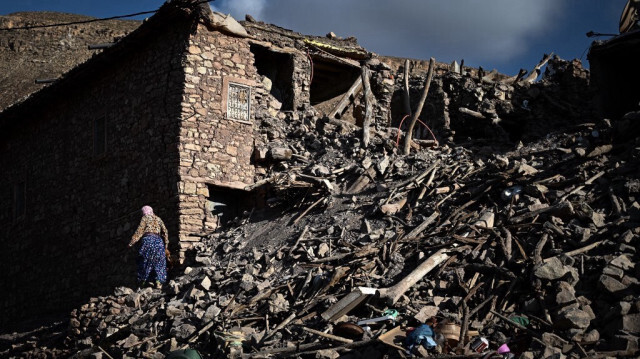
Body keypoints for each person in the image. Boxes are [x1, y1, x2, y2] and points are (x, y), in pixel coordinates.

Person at [129, 205, 169, 289]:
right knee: (159, 262)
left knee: (145, 261)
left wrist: (132, 242)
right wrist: (166, 245)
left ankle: (143, 283)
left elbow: (139, 231)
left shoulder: (145, 218)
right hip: (158, 242)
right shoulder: (158, 219)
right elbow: (165, 231)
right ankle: (158, 282)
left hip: (148, 241)